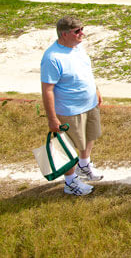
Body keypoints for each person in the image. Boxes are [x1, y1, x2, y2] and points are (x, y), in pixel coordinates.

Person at [40, 16, 103, 196]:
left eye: (82, 28)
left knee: (89, 136)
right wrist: (52, 118)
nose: (82, 33)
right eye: (77, 31)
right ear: (64, 34)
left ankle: (84, 166)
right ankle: (70, 182)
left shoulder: (78, 48)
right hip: (69, 110)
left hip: (89, 104)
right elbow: (47, 90)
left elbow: (87, 72)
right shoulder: (52, 57)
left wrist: (96, 90)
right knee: (68, 147)